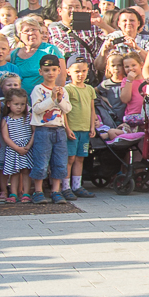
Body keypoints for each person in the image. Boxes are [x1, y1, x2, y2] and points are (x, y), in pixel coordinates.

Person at [28, 53, 72, 205]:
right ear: (41, 72)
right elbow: (37, 109)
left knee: (60, 161)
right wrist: (51, 99)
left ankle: (56, 191)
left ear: (59, 70)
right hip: (43, 130)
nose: (50, 73)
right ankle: (38, 191)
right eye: (46, 70)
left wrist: (59, 99)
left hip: (59, 130)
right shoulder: (38, 90)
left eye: (53, 69)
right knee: (41, 161)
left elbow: (67, 109)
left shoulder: (63, 90)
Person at [62, 57, 97, 199]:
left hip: (84, 130)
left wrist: (92, 126)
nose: (80, 74)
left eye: (83, 71)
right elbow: (63, 111)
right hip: (72, 129)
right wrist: (67, 128)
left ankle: (77, 186)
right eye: (77, 71)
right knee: (69, 158)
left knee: (80, 158)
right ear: (68, 71)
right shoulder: (67, 89)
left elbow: (92, 109)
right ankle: (65, 187)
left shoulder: (89, 89)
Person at [47, 0, 105, 73]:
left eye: (77, 7)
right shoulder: (52, 29)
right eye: (69, 7)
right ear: (60, 11)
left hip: (88, 75)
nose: (74, 10)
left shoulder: (92, 27)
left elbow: (113, 39)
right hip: (63, 76)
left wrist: (101, 24)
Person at [9, 17, 64, 94]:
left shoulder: (51, 50)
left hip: (46, 98)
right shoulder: (14, 54)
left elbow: (61, 76)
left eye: (34, 29)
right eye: (26, 31)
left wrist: (55, 97)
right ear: (19, 35)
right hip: (21, 102)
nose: (31, 33)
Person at [0, 86, 33, 203]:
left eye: (22, 104)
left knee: (26, 171)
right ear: (8, 104)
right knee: (14, 172)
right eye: (16, 104)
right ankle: (13, 193)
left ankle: (26, 193)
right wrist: (17, 148)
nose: (19, 107)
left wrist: (28, 146)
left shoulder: (28, 117)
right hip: (13, 149)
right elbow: (6, 137)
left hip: (26, 148)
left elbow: (34, 132)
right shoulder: (6, 119)